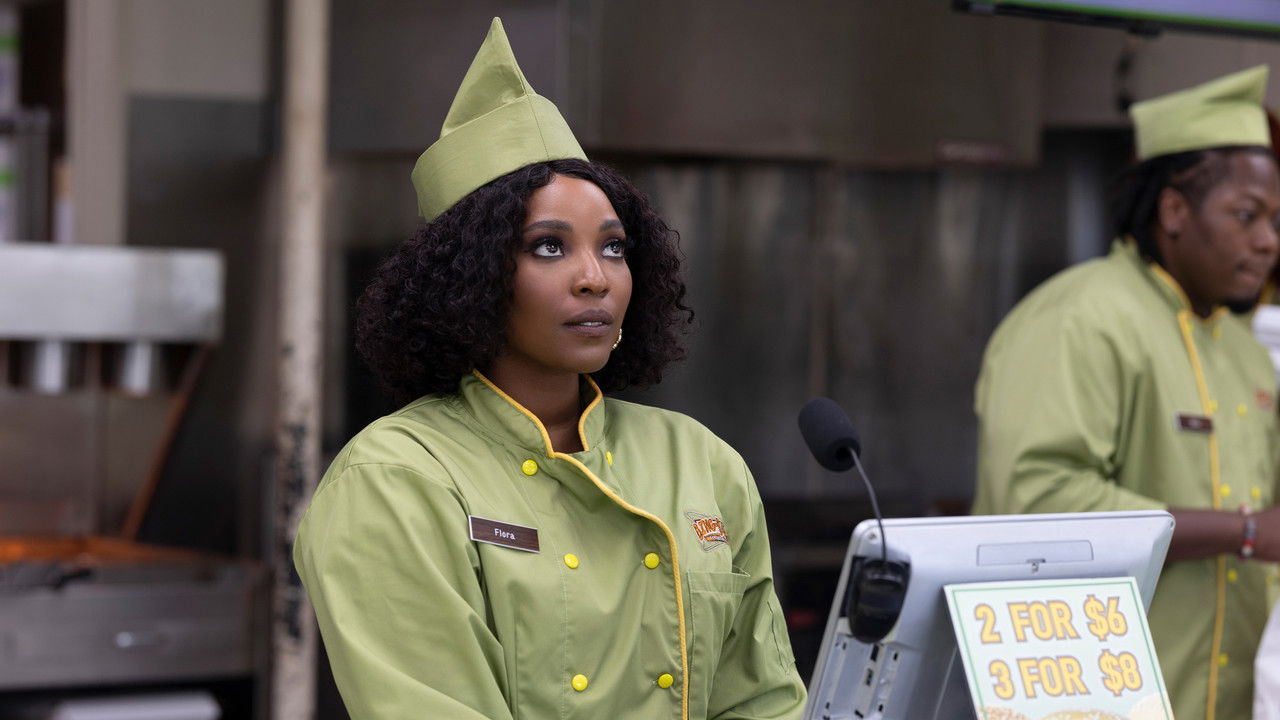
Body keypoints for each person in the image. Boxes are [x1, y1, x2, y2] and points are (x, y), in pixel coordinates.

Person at [292, 18, 806, 720]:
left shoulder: (701, 462)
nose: (595, 278)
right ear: (469, 276)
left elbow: (765, 701)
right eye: (548, 247)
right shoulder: (396, 479)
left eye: (614, 247)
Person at [972, 66, 1280, 720]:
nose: (1267, 242)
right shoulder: (1080, 319)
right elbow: (1039, 504)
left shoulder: (1245, 349)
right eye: (1246, 215)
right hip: (1095, 701)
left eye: (1275, 220)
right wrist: (1245, 532)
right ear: (1174, 211)